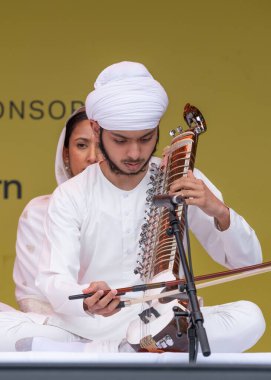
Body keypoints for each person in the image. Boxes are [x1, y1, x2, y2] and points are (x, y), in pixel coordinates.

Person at [26, 61, 264, 354]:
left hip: (164, 319)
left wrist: (219, 211)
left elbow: (247, 263)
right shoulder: (71, 195)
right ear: (97, 129)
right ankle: (128, 350)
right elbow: (54, 278)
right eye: (121, 140)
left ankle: (138, 346)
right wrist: (86, 298)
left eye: (146, 138)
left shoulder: (180, 177)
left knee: (251, 317)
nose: (135, 153)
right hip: (90, 330)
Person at [0, 107, 101, 351]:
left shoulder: (137, 207)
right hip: (55, 329)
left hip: (124, 325)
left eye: (101, 146)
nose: (92, 156)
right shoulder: (38, 211)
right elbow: (32, 300)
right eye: (81, 145)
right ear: (66, 154)